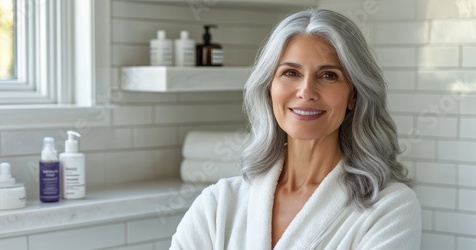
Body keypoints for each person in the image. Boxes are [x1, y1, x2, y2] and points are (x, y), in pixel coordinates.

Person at [170, 8, 421, 250]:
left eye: (328, 75)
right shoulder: (219, 204)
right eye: (290, 72)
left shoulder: (390, 207)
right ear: (269, 88)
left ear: (353, 94)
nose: (306, 91)